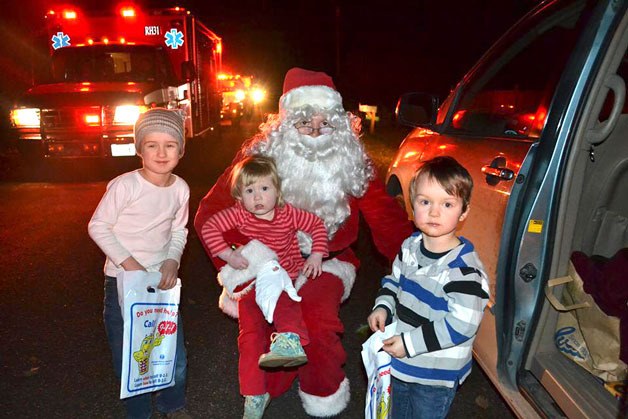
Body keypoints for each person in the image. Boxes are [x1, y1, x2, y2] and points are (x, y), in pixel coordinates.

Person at [194, 67, 414, 417]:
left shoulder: (351, 162)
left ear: (338, 126)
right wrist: (239, 260)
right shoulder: (259, 159)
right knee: (261, 325)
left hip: (327, 261)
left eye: (324, 124)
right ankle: (267, 384)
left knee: (315, 319)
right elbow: (210, 213)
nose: (314, 132)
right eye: (303, 123)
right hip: (268, 260)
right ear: (285, 125)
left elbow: (387, 221)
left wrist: (420, 265)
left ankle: (322, 392)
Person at [200, 154, 329, 418]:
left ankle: (290, 339)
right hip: (253, 280)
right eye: (249, 191)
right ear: (240, 196)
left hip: (285, 277)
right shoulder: (240, 214)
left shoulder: (288, 213)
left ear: (277, 190)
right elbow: (209, 227)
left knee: (284, 300)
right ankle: (254, 395)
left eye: (264, 188)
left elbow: (317, 225)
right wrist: (228, 255)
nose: (257, 197)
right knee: (249, 336)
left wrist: (316, 255)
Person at [367, 156, 490, 419]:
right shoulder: (410, 247)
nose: (434, 212)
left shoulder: (464, 271)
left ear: (464, 211)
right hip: (400, 364)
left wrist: (409, 344)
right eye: (425, 202)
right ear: (412, 205)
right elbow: (394, 281)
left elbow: (462, 325)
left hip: (435, 376)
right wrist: (383, 306)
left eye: (447, 204)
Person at [88, 108, 192, 419]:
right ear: (139, 149)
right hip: (122, 280)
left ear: (181, 150)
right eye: (152, 145)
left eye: (170, 145)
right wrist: (130, 265)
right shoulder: (125, 186)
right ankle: (138, 413)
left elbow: (179, 230)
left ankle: (172, 405)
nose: (161, 153)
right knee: (130, 355)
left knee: (172, 351)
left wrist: (172, 260)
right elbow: (98, 226)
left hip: (161, 282)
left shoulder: (180, 188)